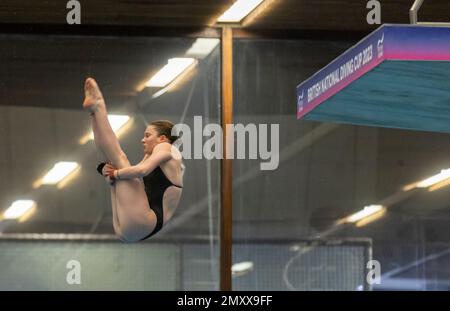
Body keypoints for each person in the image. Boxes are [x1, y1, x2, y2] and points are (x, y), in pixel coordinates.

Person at [83, 77, 183, 242]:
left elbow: (141, 171)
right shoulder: (154, 155)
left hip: (146, 221)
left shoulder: (168, 149)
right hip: (131, 229)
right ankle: (94, 112)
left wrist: (115, 174)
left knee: (120, 159)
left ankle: (99, 105)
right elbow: (130, 175)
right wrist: (109, 172)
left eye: (147, 136)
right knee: (115, 161)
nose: (142, 140)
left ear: (162, 138)